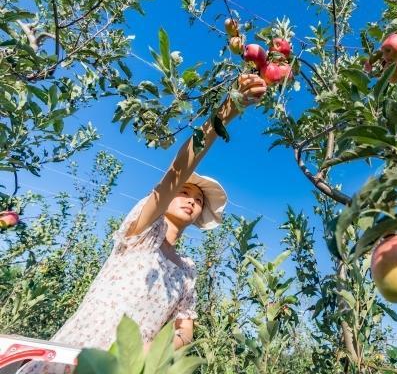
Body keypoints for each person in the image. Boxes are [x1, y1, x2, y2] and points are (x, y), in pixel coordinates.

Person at [17, 74, 268, 373]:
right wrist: (229, 109)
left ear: (201, 214)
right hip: (79, 350)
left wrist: (153, 349)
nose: (191, 200)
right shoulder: (143, 233)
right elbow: (177, 171)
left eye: (198, 199)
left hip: (128, 364)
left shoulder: (187, 269)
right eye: (184, 192)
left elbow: (184, 331)